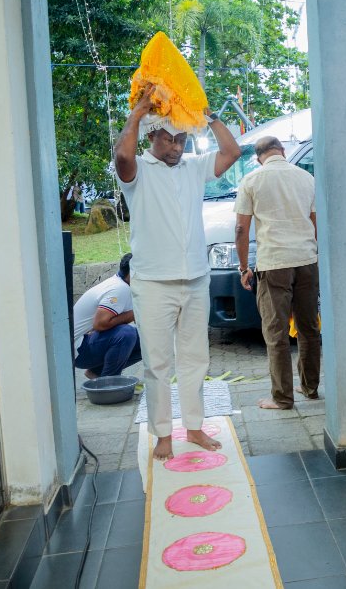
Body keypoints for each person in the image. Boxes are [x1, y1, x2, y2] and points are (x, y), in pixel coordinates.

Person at [115, 83, 241, 461]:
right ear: (151, 136)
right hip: (154, 283)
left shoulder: (193, 167)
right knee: (157, 364)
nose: (176, 147)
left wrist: (208, 116)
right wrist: (139, 111)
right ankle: (163, 434)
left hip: (196, 279)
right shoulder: (138, 170)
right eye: (169, 139)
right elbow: (122, 155)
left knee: (195, 358)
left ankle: (195, 427)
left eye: (182, 140)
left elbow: (232, 152)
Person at [234, 135, 320, 410]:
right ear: (282, 150)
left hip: (273, 263)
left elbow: (241, 228)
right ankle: (310, 387)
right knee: (308, 328)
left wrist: (244, 267)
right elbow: (315, 221)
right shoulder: (306, 178)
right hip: (306, 260)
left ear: (258, 157)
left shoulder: (251, 181)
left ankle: (282, 397)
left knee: (276, 332)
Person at [72, 253, 143, 379]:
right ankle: (109, 383)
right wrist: (136, 312)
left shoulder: (121, 283)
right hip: (78, 351)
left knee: (146, 339)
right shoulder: (119, 289)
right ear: (132, 273)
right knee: (126, 334)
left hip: (86, 341)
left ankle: (97, 372)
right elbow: (100, 324)